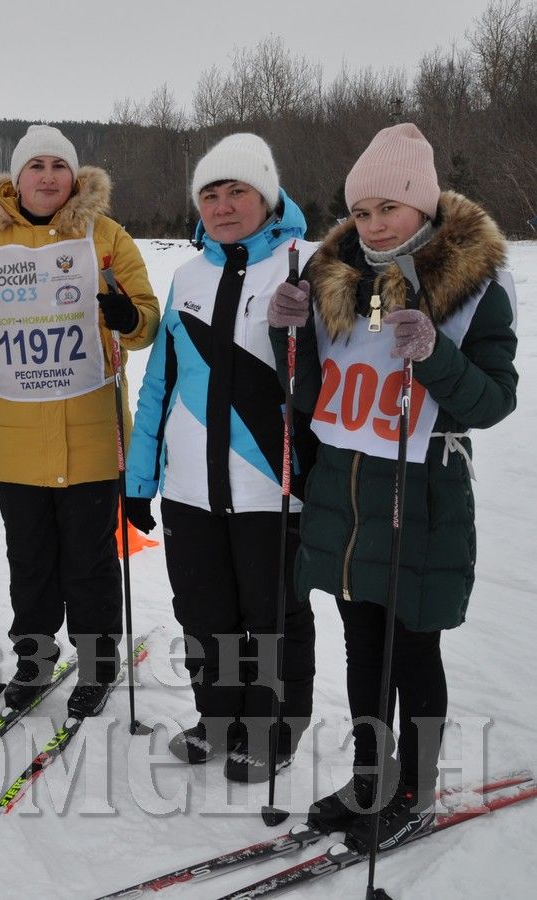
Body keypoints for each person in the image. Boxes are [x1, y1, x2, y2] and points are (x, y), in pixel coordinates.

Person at [268, 123, 518, 848]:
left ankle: (415, 789)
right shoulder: (334, 273)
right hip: (345, 497)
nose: (373, 225)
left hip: (420, 499)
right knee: (361, 650)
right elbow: (303, 392)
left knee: (411, 653)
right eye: (363, 210)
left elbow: (492, 402)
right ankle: (371, 776)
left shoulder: (473, 283)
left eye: (389, 208)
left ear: (422, 204)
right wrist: (283, 333)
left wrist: (434, 354)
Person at [0, 124, 159, 716]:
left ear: (75, 176)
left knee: (91, 561)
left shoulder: (107, 236)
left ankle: (97, 663)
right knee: (30, 559)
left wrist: (126, 314)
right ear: (15, 178)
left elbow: (145, 323)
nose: (48, 176)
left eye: (58, 166)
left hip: (94, 435)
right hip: (15, 438)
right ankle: (35, 658)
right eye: (36, 166)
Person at [125, 133, 317, 783]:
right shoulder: (186, 277)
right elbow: (158, 385)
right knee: (204, 613)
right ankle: (217, 718)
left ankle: (272, 730)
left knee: (271, 616)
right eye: (209, 194)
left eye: (237, 191)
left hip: (271, 486)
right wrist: (138, 479)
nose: (222, 205)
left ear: (265, 197)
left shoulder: (306, 267)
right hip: (189, 490)